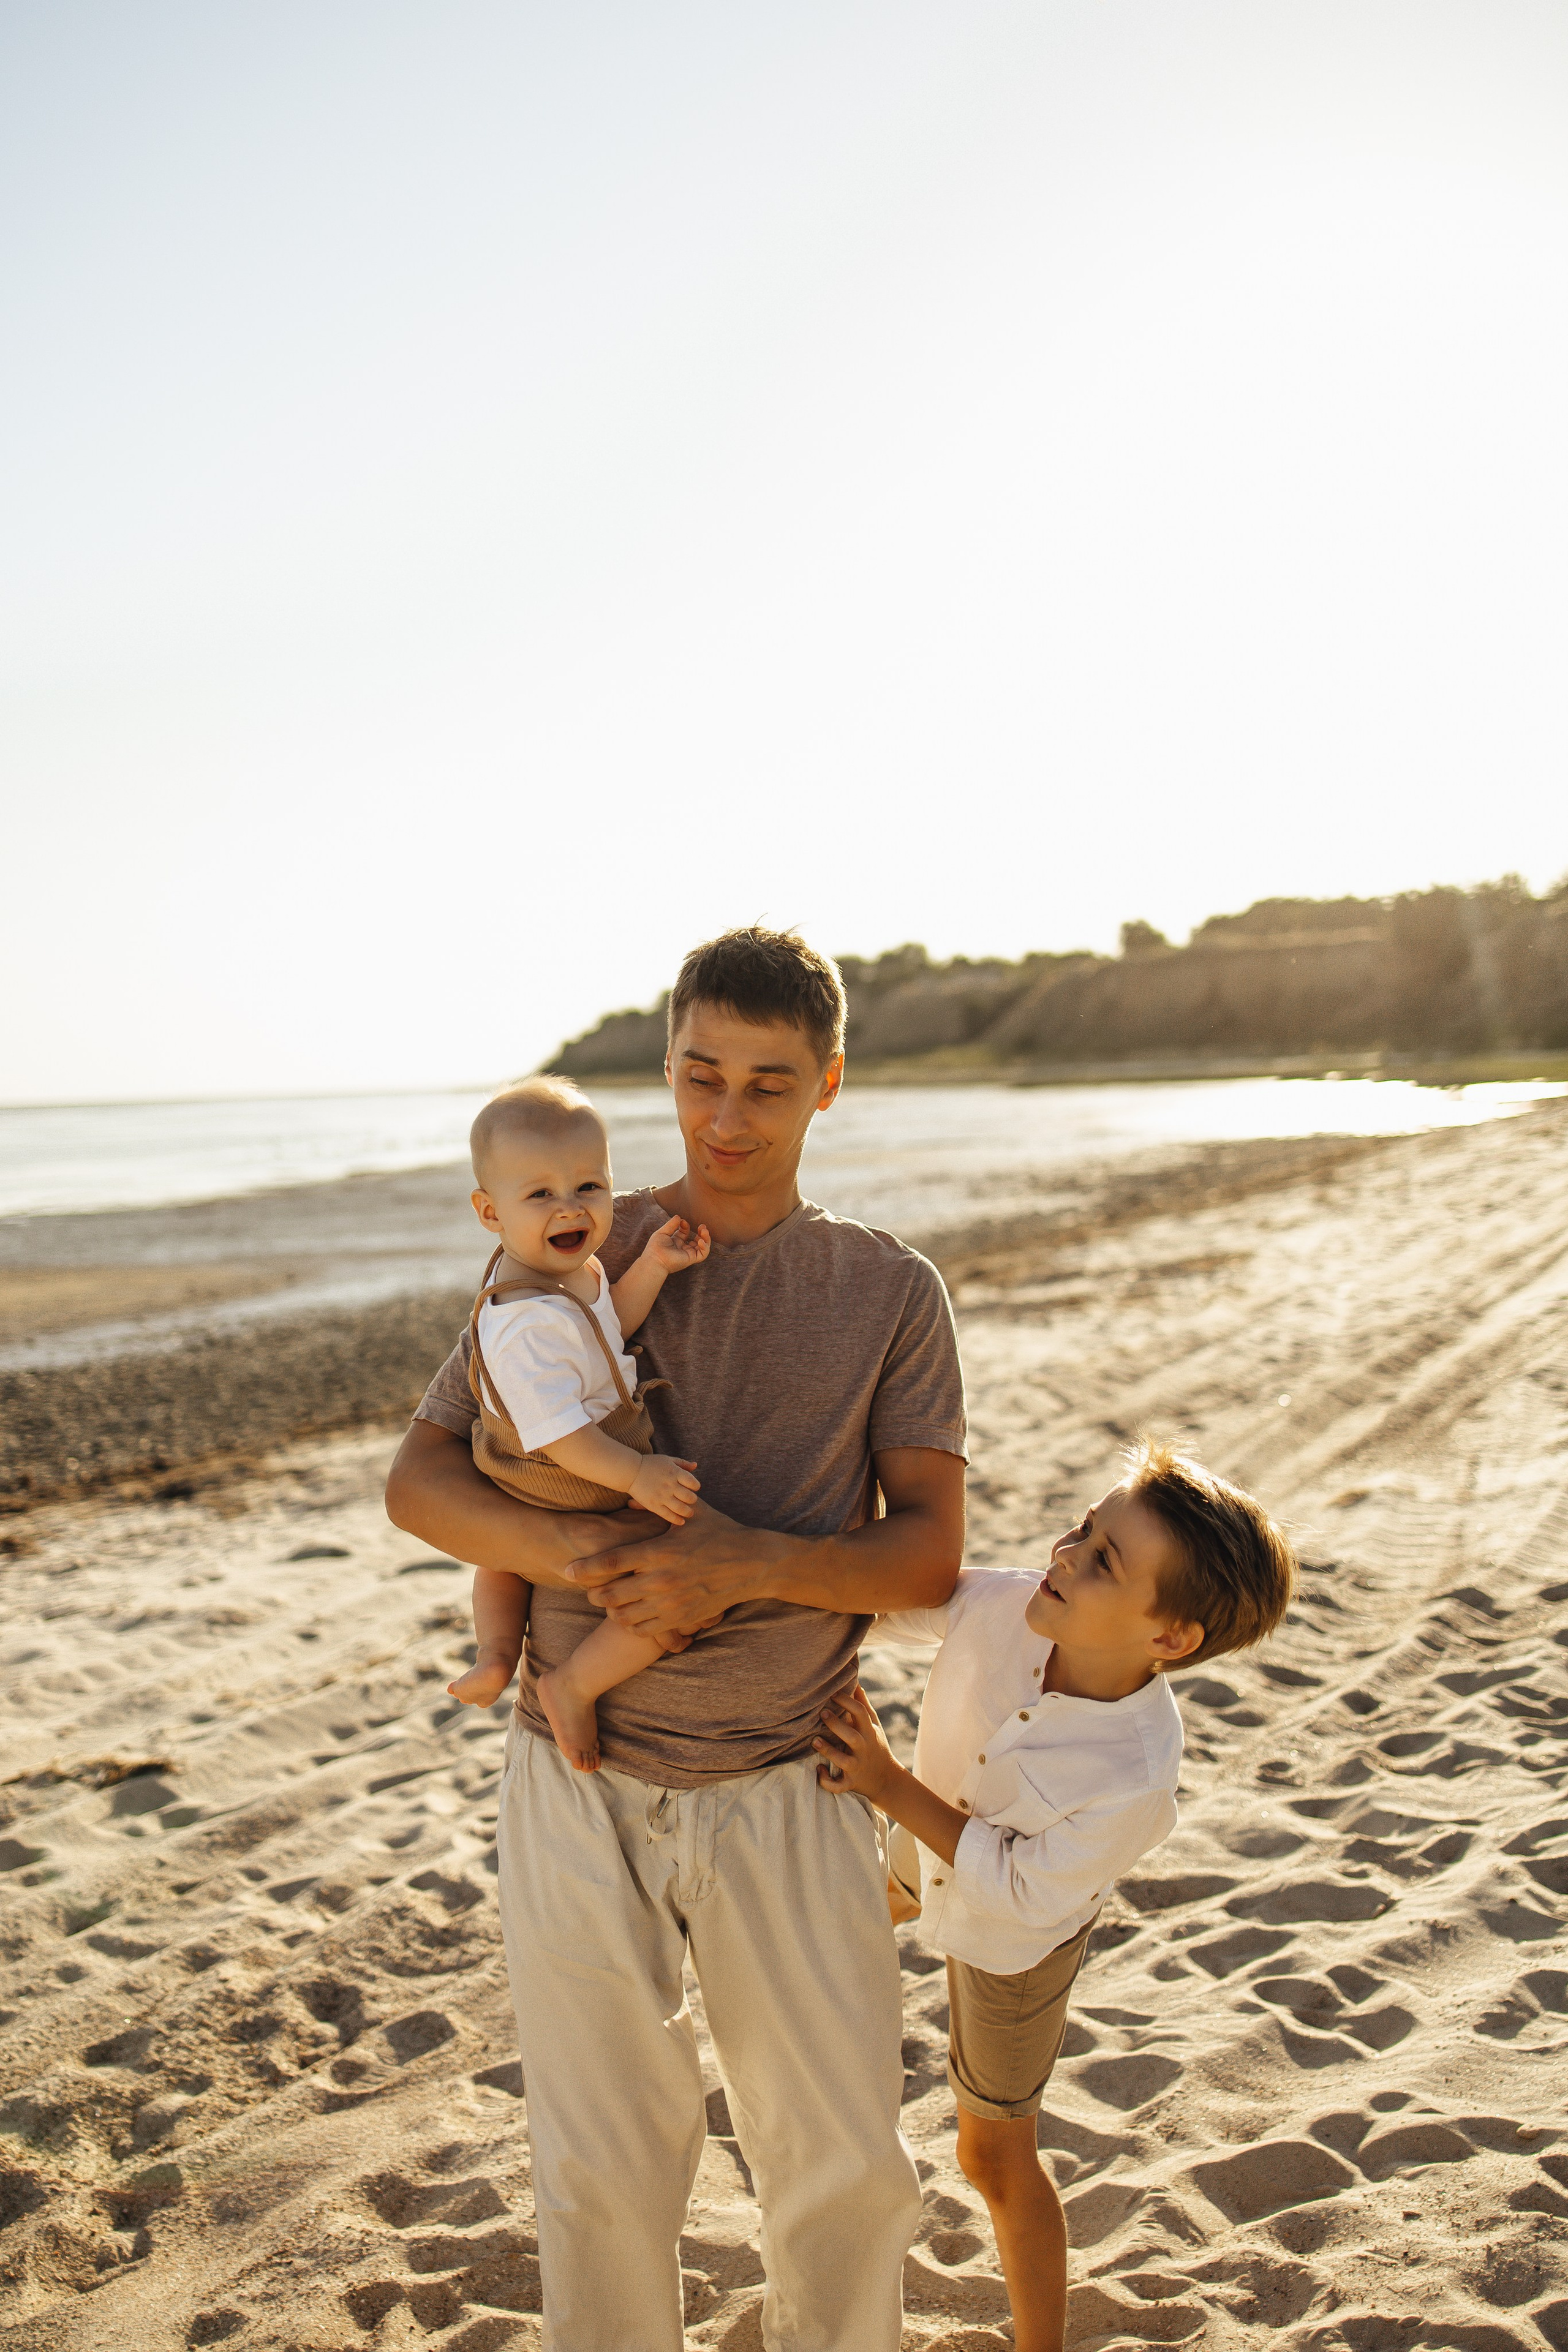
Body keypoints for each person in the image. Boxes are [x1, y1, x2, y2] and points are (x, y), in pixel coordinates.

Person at [385, 925, 968, 2352]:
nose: (725, 1117)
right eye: (700, 1075)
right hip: (575, 1775)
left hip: (793, 1773)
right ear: (664, 1067)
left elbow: (926, 1555)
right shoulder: (565, 1248)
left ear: (827, 1084)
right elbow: (421, 1483)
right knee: (600, 2172)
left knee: (843, 2167)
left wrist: (738, 1569)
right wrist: (599, 1560)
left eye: (767, 1084)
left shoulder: (888, 1290)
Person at [813, 1439, 1298, 2352]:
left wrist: (883, 1782)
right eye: (1083, 1528)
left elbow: (1019, 1892)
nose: (1066, 1554)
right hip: (924, 1839)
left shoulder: (1135, 1776)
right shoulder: (1007, 1602)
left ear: (1169, 1638)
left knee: (991, 2156)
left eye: (1104, 1560)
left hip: (1015, 1943)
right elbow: (875, 1606)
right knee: (834, 1923)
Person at [447, 1074, 717, 1770]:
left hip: (536, 1470)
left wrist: (652, 1265)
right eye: (540, 1194)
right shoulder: (523, 1321)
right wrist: (638, 1475)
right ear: (490, 1212)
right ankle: (571, 1683)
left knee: (503, 1562)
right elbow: (561, 1435)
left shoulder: (570, 1273)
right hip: (568, 1468)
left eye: (588, 1186)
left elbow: (607, 1328)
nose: (570, 1207)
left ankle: (495, 1655)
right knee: (683, 1583)